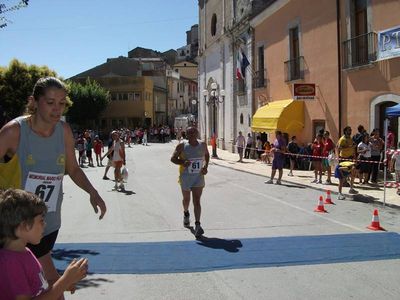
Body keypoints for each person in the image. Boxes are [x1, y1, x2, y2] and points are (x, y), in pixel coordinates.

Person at [0, 77, 106, 294]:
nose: (57, 109)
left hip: (46, 222)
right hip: (16, 226)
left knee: (46, 284)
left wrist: (93, 192)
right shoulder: (14, 132)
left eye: (62, 103)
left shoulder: (64, 131)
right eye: (50, 102)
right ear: (34, 101)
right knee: (44, 285)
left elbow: (73, 169)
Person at [0, 188, 88, 299]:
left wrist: (64, 282)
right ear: (25, 225)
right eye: (41, 220)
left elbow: (38, 287)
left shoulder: (25, 252)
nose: (44, 224)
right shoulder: (11, 263)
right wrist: (64, 281)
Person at [170, 126, 210, 238]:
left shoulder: (202, 144)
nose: (192, 134)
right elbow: (173, 158)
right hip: (186, 177)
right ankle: (186, 213)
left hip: (198, 177)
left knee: (197, 200)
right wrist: (182, 162)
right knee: (186, 199)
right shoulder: (182, 145)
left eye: (193, 132)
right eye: (189, 133)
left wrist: (205, 167)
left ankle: (198, 225)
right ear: (186, 135)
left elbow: (206, 155)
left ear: (197, 133)